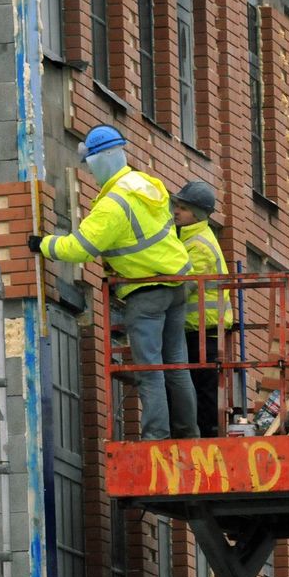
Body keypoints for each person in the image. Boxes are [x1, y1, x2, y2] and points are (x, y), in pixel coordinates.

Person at [27, 125, 199, 441]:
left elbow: (80, 247)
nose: (90, 174)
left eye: (90, 165)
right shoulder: (149, 183)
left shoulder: (112, 206)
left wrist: (44, 244)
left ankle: (156, 437)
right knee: (177, 365)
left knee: (150, 370)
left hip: (146, 291)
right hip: (178, 282)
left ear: (99, 161)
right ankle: (189, 434)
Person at [171, 180, 233, 438]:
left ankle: (204, 438)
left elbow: (183, 288)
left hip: (203, 331)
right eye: (177, 206)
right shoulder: (190, 238)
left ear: (196, 214)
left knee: (200, 389)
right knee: (195, 386)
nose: (176, 211)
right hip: (198, 330)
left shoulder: (197, 245)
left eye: (183, 208)